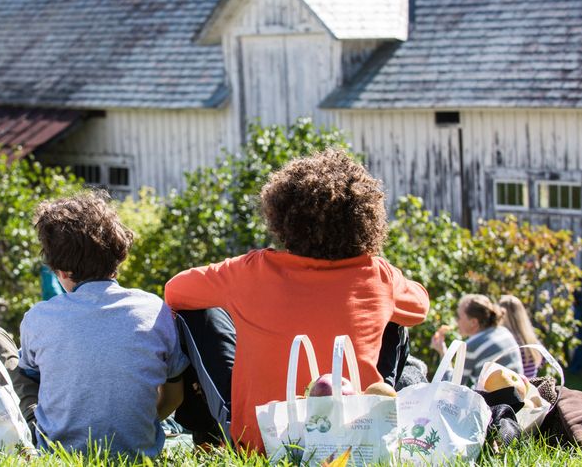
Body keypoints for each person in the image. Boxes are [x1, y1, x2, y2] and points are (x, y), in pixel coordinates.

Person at [164, 149, 430, 453]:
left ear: (282, 217)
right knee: (398, 321)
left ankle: (207, 437)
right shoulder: (378, 275)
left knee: (196, 313)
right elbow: (420, 306)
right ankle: (380, 407)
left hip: (260, 440)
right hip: (351, 436)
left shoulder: (250, 270)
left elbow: (175, 291)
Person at [0, 192, 189, 458]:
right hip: (138, 453)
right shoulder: (154, 309)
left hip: (56, 452)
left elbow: (29, 378)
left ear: (60, 270)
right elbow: (174, 396)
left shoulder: (40, 317)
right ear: (119, 255)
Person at [432, 294, 523, 386]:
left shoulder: (472, 346)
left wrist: (443, 352)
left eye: (459, 317)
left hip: (496, 399)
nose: (456, 321)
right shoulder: (503, 332)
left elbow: (451, 386)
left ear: (473, 322)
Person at [498, 295, 543, 378]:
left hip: (513, 387)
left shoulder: (505, 342)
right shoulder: (531, 339)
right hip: (531, 387)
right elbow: (542, 361)